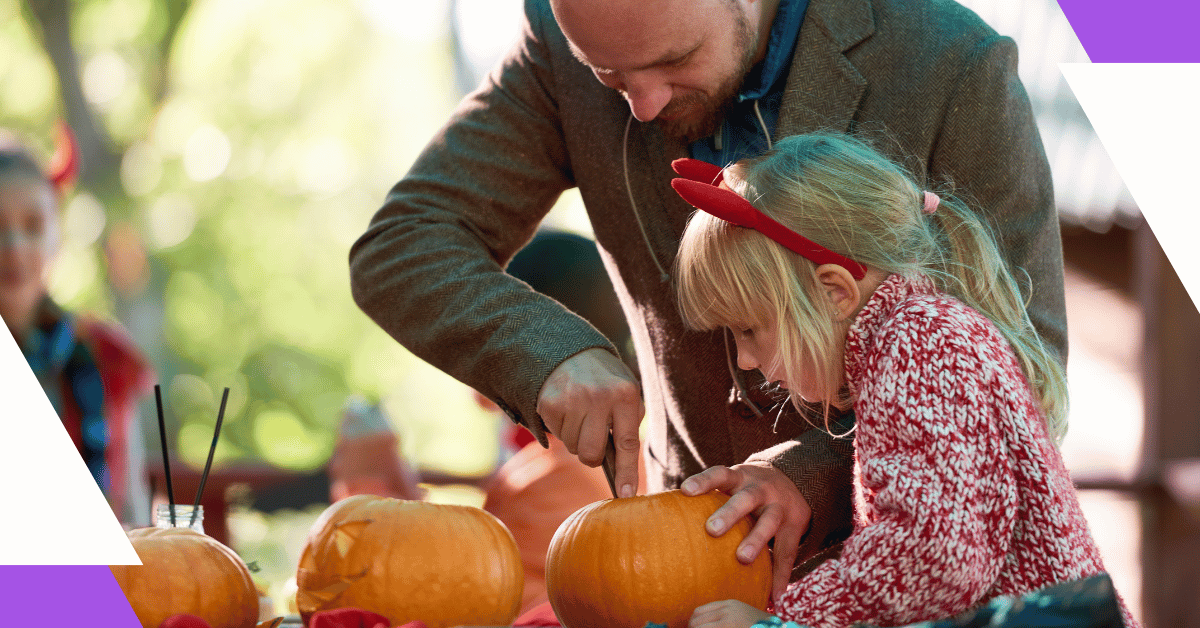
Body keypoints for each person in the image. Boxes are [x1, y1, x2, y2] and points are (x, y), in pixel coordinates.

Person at [348, 0, 1066, 592]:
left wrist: (806, 478)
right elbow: (404, 244)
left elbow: (1021, 374)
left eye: (672, 63)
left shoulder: (951, 62)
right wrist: (550, 354)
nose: (645, 104)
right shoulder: (557, 38)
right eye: (611, 78)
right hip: (673, 575)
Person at [670, 134, 1135, 628]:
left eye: (749, 329)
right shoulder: (914, 338)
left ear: (834, 291)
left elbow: (936, 556)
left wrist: (787, 621)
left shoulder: (917, 344)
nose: (743, 360)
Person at [1, 125, 154, 525]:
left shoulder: (106, 357)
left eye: (33, 227)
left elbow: (134, 507)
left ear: (56, 238)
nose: (14, 247)